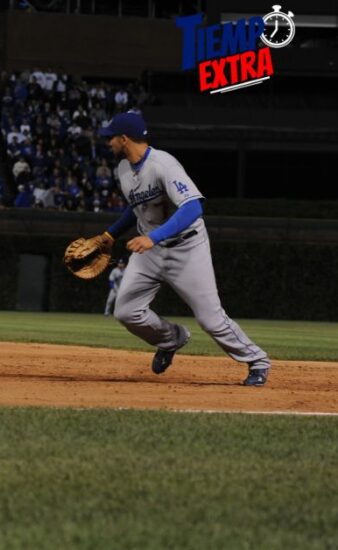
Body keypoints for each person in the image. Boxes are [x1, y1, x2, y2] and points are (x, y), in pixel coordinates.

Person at [96, 112, 271, 386]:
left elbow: (193, 207)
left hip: (186, 247)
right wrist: (110, 234)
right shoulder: (123, 169)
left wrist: (154, 237)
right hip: (149, 251)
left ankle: (257, 361)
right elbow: (138, 209)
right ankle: (171, 339)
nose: (107, 143)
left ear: (124, 138)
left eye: (110, 138)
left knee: (211, 319)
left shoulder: (163, 164)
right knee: (126, 311)